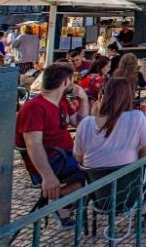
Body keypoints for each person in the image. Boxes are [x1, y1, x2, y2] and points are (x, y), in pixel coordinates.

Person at [15, 63, 89, 228]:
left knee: (99, 167)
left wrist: (83, 99)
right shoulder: (34, 108)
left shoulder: (60, 102)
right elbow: (33, 144)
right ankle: (59, 203)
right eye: (72, 80)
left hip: (65, 156)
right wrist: (47, 176)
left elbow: (80, 122)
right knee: (96, 170)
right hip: (52, 161)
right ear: (65, 82)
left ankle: (61, 205)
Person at [74, 77, 146, 169]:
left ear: (101, 98)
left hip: (96, 182)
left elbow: (78, 157)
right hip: (129, 181)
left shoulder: (85, 124)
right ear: (128, 97)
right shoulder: (136, 117)